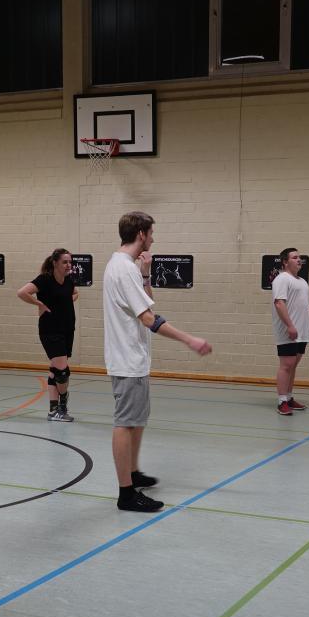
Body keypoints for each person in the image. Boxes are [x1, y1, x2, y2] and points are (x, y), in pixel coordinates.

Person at [103, 211, 212, 512]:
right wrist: (189, 340)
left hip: (134, 357)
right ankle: (126, 493)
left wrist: (146, 273)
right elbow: (149, 319)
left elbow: (146, 302)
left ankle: (133, 472)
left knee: (136, 420)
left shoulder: (126, 267)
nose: (154, 238)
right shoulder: (122, 268)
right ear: (141, 234)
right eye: (151, 233)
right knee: (125, 422)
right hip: (127, 358)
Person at [17, 248, 79, 422]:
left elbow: (75, 293)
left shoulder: (68, 280)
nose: (69, 265)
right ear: (55, 263)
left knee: (55, 370)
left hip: (68, 329)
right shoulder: (45, 279)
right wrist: (39, 304)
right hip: (50, 330)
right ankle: (62, 405)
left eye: (70, 262)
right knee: (62, 372)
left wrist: (66, 301)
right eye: (65, 262)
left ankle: (53, 411)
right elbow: (22, 292)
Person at [271, 248, 309, 415]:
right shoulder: (282, 279)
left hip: (302, 332)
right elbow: (279, 303)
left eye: (300, 257)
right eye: (295, 257)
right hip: (288, 331)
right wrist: (290, 326)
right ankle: (282, 401)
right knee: (286, 365)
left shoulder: (303, 282)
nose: (299, 260)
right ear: (285, 262)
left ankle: (289, 397)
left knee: (293, 365)